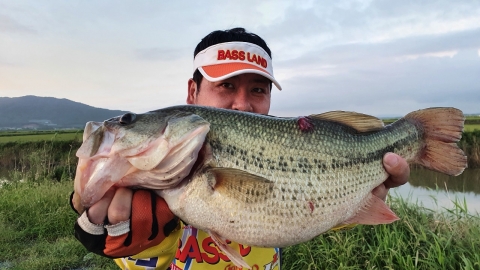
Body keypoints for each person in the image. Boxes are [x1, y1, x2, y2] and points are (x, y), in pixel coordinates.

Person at [71, 27, 410, 270]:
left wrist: (362, 198)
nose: (243, 105)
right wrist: (93, 223)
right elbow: (90, 200)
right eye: (226, 86)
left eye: (258, 90)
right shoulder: (149, 168)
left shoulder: (291, 145)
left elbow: (307, 205)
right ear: (192, 93)